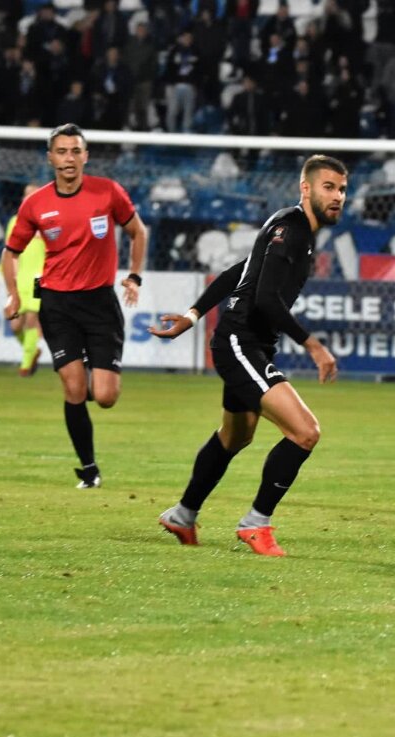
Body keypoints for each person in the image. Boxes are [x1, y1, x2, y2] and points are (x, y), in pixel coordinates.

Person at [148, 155, 346, 557]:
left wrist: (192, 315)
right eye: (329, 187)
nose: (338, 196)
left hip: (249, 342)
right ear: (305, 189)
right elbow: (266, 300)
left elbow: (237, 272)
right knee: (305, 431)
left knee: (235, 436)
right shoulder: (290, 230)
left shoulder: (295, 229)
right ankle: (256, 523)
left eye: (342, 189)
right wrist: (313, 345)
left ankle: (182, 516)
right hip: (240, 341)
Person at [1, 123, 149, 489]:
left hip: (100, 302)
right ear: (50, 157)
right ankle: (89, 469)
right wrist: (13, 294)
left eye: (75, 151)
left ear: (86, 155)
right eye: (62, 151)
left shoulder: (108, 192)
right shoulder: (36, 204)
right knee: (73, 390)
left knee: (106, 396)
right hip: (57, 303)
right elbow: (11, 252)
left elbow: (138, 231)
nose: (69, 158)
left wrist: (134, 276)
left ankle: (85, 369)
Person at [1, 184, 47, 376]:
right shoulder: (15, 221)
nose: (26, 199)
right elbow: (9, 252)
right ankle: (33, 350)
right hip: (20, 278)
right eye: (25, 195)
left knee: (31, 319)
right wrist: (6, 279)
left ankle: (26, 365)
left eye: (31, 195)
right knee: (14, 325)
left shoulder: (48, 222)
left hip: (39, 278)